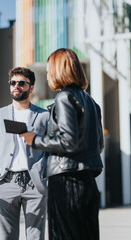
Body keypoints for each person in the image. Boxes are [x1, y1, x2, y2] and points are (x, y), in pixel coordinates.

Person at [21, 48, 104, 240]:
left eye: (50, 70)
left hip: (66, 181)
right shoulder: (91, 102)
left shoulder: (64, 98)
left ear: (59, 71)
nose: (48, 75)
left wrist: (35, 139)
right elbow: (98, 145)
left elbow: (68, 141)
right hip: (88, 182)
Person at [0, 67, 49, 240]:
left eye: (22, 83)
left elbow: (50, 149)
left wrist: (46, 177)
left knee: (36, 236)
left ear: (31, 87)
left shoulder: (44, 116)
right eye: (13, 83)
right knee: (6, 236)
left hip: (35, 184)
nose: (16, 86)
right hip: (5, 182)